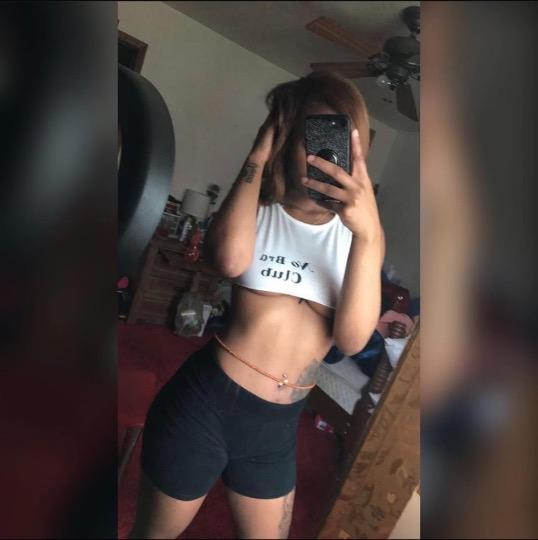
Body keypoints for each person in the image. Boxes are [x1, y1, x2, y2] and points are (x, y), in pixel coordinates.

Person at [129, 71, 385, 539]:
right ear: (285, 138)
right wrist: (258, 153)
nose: (324, 157)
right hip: (206, 404)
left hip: (275, 430)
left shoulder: (360, 236)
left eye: (336, 142)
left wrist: (369, 235)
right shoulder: (258, 212)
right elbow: (226, 260)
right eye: (311, 137)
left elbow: (351, 340)